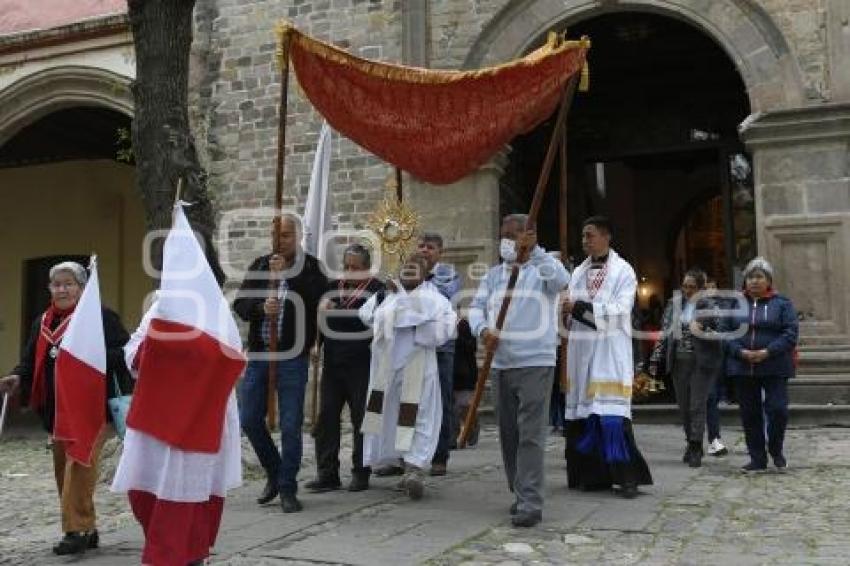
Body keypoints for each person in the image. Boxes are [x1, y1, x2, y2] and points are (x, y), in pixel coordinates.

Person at [0, 261, 130, 555]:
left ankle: (76, 530)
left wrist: (89, 356)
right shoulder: (44, 321)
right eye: (56, 284)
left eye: (68, 283)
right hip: (57, 409)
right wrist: (17, 376)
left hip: (93, 407)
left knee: (78, 464)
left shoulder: (100, 316)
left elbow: (125, 352)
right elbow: (31, 359)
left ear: (82, 288)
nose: (62, 289)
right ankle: (87, 524)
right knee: (64, 469)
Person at [468, 213, 569, 528]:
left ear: (528, 235)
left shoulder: (543, 268)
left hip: (535, 361)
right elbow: (475, 307)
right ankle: (519, 488)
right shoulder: (495, 274)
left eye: (512, 235)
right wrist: (482, 330)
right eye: (503, 235)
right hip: (500, 364)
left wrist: (536, 251)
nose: (506, 241)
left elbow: (562, 282)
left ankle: (530, 501)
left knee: (530, 435)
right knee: (509, 433)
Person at [233, 215, 328, 513]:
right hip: (260, 355)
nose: (281, 240)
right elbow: (241, 305)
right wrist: (262, 307)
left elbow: (318, 301)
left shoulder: (311, 267)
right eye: (277, 235)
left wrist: (288, 274)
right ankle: (275, 471)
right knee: (249, 419)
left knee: (290, 424)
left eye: (287, 235)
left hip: (292, 356)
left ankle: (287, 487)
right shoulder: (261, 265)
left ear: (298, 236)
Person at [563, 216, 652, 498]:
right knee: (585, 415)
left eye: (589, 235)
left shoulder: (623, 271)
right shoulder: (577, 272)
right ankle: (591, 476)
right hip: (581, 350)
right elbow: (570, 305)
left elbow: (619, 311)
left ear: (606, 236)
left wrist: (578, 308)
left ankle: (627, 478)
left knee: (611, 415)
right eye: (583, 235)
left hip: (609, 350)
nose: (584, 240)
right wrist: (565, 311)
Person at [359, 253, 457, 500]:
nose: (409, 274)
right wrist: (392, 301)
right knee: (391, 418)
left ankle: (415, 469)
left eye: (415, 270)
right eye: (406, 269)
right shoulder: (386, 295)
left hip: (419, 368)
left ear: (424, 274)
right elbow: (367, 315)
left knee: (418, 417)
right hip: (387, 369)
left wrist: (410, 315)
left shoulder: (434, 299)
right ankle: (400, 463)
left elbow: (443, 329)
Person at [306, 244, 385, 493]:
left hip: (362, 361)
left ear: (366, 269)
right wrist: (315, 343)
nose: (350, 272)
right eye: (346, 266)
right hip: (333, 360)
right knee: (327, 417)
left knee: (361, 418)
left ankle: (361, 471)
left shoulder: (376, 290)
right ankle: (327, 472)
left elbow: (367, 320)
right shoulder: (332, 289)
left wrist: (336, 312)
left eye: (355, 268)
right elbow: (320, 320)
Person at [726, 257, 798, 472]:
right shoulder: (735, 304)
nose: (754, 281)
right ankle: (757, 458)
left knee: (778, 410)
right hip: (743, 365)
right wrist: (740, 351)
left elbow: (790, 333)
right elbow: (726, 333)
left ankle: (776, 449)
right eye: (750, 277)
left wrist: (768, 351)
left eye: (759, 277)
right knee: (750, 414)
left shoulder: (782, 304)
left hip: (774, 365)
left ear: (769, 281)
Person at [649, 268, 722, 467]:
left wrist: (704, 328)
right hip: (678, 360)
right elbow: (665, 332)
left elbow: (720, 330)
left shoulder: (709, 305)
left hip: (701, 362)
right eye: (685, 286)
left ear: (700, 288)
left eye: (692, 287)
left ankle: (697, 446)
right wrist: (655, 358)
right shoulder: (674, 304)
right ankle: (690, 442)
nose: (687, 290)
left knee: (696, 405)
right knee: (683, 406)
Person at [417, 233, 461, 476]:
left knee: (441, 400)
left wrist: (418, 281)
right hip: (415, 346)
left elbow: (441, 299)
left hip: (441, 346)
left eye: (430, 247)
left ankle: (439, 455)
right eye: (421, 246)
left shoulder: (448, 275)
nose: (424, 251)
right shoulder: (410, 271)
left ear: (440, 252)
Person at [703, 277, 729, 457]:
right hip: (691, 360)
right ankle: (693, 440)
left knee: (711, 397)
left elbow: (727, 330)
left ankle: (714, 438)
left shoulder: (722, 307)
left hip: (714, 356)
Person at [451, 318, 479, 448]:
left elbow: (469, 347)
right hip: (458, 375)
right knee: (457, 408)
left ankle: (469, 432)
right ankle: (456, 436)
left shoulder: (462, 327)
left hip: (463, 375)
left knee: (463, 407)